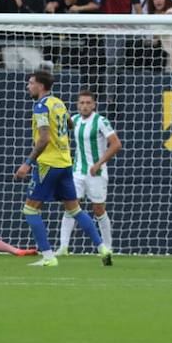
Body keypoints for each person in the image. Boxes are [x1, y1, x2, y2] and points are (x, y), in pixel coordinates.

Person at [14, 69, 112, 267]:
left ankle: (49, 257)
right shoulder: (58, 102)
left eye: (31, 82)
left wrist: (28, 163)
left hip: (48, 164)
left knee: (30, 210)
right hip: (66, 163)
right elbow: (69, 123)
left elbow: (44, 138)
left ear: (40, 86)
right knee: (74, 209)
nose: (28, 86)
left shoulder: (41, 106)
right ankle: (102, 248)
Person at [56, 89, 122, 255]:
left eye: (88, 103)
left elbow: (116, 144)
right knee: (71, 206)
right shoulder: (74, 120)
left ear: (94, 105)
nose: (84, 106)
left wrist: (99, 164)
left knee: (98, 209)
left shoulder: (101, 121)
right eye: (81, 103)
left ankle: (107, 247)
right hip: (77, 171)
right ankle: (63, 247)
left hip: (96, 173)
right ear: (78, 105)